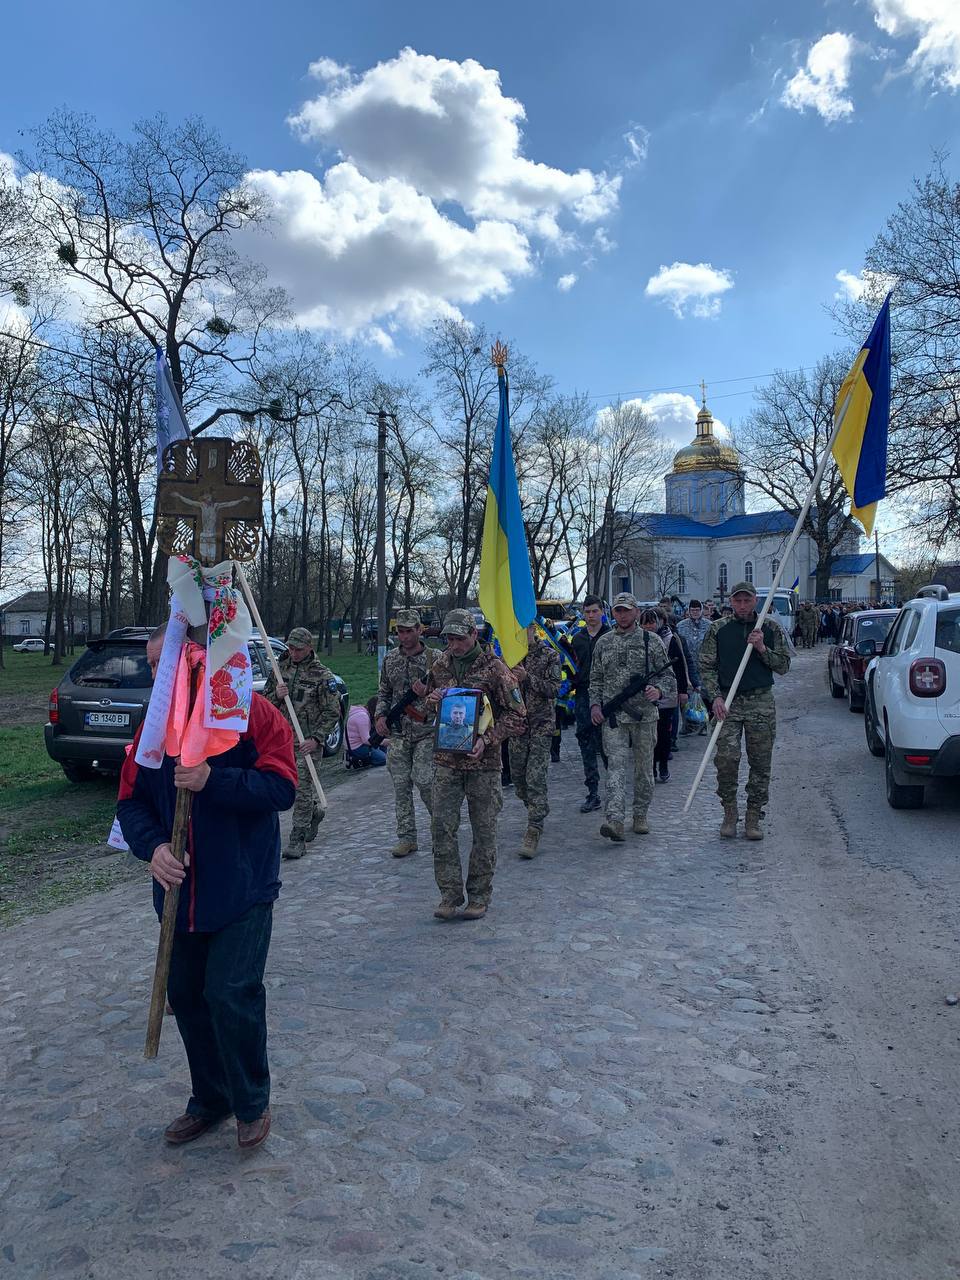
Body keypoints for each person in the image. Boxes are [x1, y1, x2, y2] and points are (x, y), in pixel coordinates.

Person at [117, 671, 297, 1150]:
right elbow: (130, 803)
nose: (164, 673)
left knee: (230, 992)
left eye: (175, 660)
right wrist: (154, 847)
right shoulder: (153, 725)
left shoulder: (253, 712)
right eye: (157, 664)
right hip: (178, 893)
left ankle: (251, 1101)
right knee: (188, 995)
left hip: (243, 884)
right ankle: (210, 1098)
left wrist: (214, 780)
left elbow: (282, 788)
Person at [427, 609, 526, 921]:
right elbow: (427, 703)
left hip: (483, 764)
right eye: (449, 639)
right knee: (441, 827)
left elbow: (517, 715)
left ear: (474, 635)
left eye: (459, 638)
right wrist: (433, 698)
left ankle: (479, 895)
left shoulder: (495, 669)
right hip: (446, 761)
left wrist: (488, 739)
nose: (453, 644)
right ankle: (449, 894)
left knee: (484, 831)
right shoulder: (440, 665)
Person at [698, 581, 791, 841]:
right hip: (728, 702)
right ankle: (729, 812)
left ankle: (753, 816)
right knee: (726, 760)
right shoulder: (718, 629)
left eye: (746, 600)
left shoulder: (770, 628)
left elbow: (783, 666)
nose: (742, 605)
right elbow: (706, 667)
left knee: (760, 760)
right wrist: (715, 696)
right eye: (737, 600)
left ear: (755, 601)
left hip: (760, 701)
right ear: (731, 602)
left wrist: (762, 648)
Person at [589, 592, 675, 841]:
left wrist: (658, 690)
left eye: (627, 610)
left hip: (645, 716)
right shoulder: (603, 643)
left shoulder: (651, 641)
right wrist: (595, 705)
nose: (623, 615)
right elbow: (595, 679)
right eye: (618, 610)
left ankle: (640, 814)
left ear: (636, 612)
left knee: (644, 769)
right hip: (614, 718)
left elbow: (669, 677)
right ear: (612, 613)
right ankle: (615, 820)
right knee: (615, 768)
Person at [262, 627, 340, 860]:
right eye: (291, 648)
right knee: (285, 786)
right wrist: (276, 693)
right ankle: (313, 813)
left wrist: (317, 739)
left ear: (309, 648)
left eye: (298, 649)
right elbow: (263, 704)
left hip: (308, 741)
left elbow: (332, 712)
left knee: (302, 788)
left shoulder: (323, 676)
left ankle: (297, 838)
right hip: (282, 739)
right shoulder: (279, 670)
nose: (293, 652)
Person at [375, 609, 436, 857]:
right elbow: (384, 692)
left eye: (409, 630)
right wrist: (380, 716)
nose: (404, 635)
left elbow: (451, 688)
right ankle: (407, 837)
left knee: (425, 781)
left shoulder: (436, 658)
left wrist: (429, 692)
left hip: (427, 730)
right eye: (400, 631)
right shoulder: (390, 659)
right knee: (400, 785)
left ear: (420, 630)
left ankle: (440, 831)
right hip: (399, 731)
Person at [509, 623, 562, 859]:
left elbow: (554, 689)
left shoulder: (550, 655)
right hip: (517, 727)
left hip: (541, 725)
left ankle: (534, 827)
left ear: (533, 629)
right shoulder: (509, 657)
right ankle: (537, 807)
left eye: (525, 629)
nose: (522, 634)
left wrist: (527, 677)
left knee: (535, 778)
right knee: (519, 778)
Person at [570, 595, 610, 813]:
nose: (591, 616)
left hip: (607, 697)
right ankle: (593, 792)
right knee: (586, 742)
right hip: (584, 695)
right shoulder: (577, 639)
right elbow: (573, 667)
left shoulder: (611, 636)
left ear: (602, 612)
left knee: (608, 744)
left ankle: (613, 789)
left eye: (595, 611)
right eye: (587, 612)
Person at [641, 608, 688, 783]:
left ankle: (663, 765)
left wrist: (683, 691)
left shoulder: (670, 640)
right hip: (646, 695)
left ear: (659, 622)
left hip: (667, 693)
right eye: (645, 623)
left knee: (663, 733)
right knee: (649, 734)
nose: (648, 627)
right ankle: (651, 766)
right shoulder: (639, 640)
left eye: (651, 622)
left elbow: (680, 667)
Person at [345, 697, 387, 767]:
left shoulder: (361, 712)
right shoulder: (362, 716)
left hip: (356, 745)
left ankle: (376, 754)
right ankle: (365, 760)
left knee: (384, 747)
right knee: (384, 759)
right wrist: (384, 742)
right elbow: (367, 740)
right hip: (356, 748)